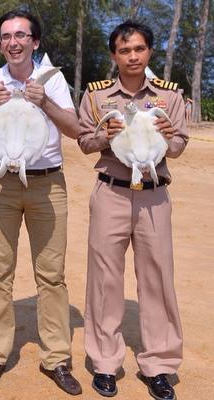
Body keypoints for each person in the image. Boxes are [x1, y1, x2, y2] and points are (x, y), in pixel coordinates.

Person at [0, 10, 82, 395]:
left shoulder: (53, 79)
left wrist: (46, 102)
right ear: (0, 43)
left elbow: (74, 128)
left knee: (51, 275)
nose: (12, 42)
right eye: (5, 36)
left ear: (35, 41)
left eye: (20, 35)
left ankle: (57, 358)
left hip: (47, 185)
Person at [77, 20, 187, 400]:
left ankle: (159, 364)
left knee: (157, 277)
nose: (133, 56)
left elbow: (178, 147)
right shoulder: (97, 95)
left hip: (154, 195)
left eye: (139, 49)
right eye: (124, 51)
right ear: (114, 56)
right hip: (111, 192)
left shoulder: (170, 96)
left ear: (149, 52)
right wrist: (100, 137)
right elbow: (83, 141)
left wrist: (172, 139)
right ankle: (106, 362)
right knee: (105, 279)